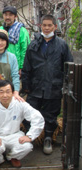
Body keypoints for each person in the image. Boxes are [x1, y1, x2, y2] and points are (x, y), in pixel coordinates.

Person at [21, 14, 73, 155]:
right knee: (29, 112)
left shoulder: (62, 45)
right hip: (35, 86)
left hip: (54, 86)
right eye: (44, 25)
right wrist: (26, 85)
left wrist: (65, 85)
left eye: (50, 25)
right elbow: (27, 67)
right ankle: (31, 137)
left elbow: (69, 67)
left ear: (55, 27)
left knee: (51, 114)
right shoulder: (34, 44)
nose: (47, 27)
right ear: (40, 26)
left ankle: (48, 138)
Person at [0, 80, 44, 168]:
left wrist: (29, 136)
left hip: (14, 135)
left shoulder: (19, 104)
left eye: (8, 92)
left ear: (13, 93)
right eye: (1, 92)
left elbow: (37, 118)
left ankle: (13, 157)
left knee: (27, 146)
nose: (5, 95)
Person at [0, 6, 30, 76]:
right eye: (6, 15)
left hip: (15, 68)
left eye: (10, 15)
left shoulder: (22, 31)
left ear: (15, 16)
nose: (7, 17)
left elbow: (25, 50)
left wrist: (22, 67)